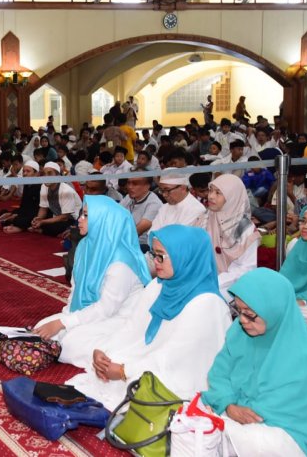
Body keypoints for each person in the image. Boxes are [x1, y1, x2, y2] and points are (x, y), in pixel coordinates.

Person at [61, 225, 231, 411]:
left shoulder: (207, 303)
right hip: (148, 356)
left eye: (161, 256)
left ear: (185, 257)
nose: (155, 262)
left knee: (142, 385)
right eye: (153, 254)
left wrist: (125, 370)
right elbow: (131, 328)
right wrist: (105, 352)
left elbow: (175, 356)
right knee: (107, 360)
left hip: (182, 371)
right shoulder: (157, 286)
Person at [202, 269, 307, 457]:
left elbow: (264, 416)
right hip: (238, 414)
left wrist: (228, 412)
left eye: (249, 314)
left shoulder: (304, 355)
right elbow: (219, 373)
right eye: (239, 311)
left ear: (273, 310)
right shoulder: (239, 333)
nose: (242, 320)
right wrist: (228, 404)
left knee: (227, 435)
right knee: (200, 422)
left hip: (293, 433)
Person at [33, 195, 151, 343]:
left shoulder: (122, 261)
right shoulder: (85, 246)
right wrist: (67, 315)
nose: (80, 219)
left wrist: (63, 323)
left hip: (118, 318)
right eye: (82, 214)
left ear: (103, 220)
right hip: (86, 312)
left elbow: (107, 308)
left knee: (71, 343)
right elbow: (75, 287)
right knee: (40, 328)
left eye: (86, 215)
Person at [198, 174, 260, 300]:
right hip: (204, 278)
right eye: (210, 190)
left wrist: (216, 281)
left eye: (218, 192)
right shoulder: (205, 218)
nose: (210, 196)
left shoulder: (244, 227)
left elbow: (246, 268)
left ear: (233, 196)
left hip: (232, 284)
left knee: (205, 299)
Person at [30, 161, 81, 237]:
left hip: (71, 219)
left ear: (57, 175)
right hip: (56, 216)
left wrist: (43, 222)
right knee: (31, 217)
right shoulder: (44, 186)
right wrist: (38, 219)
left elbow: (65, 217)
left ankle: (65, 231)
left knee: (53, 228)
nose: (46, 177)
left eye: (49, 173)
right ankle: (44, 229)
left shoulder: (66, 190)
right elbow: (43, 208)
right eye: (44, 174)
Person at [0, 160, 41, 234]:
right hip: (25, 214)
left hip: (35, 215)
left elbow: (36, 211)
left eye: (28, 171)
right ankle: (18, 225)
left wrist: (16, 217)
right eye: (24, 171)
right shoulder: (27, 185)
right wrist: (12, 214)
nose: (25, 174)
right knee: (3, 213)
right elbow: (23, 206)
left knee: (23, 220)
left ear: (36, 173)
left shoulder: (40, 187)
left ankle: (20, 226)